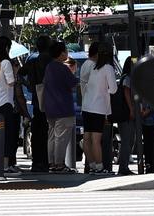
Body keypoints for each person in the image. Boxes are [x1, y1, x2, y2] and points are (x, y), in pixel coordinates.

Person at [80, 42, 117, 174]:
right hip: (98, 107)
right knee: (96, 140)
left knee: (87, 138)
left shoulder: (93, 67)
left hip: (86, 106)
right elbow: (113, 89)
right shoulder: (108, 68)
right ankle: (100, 167)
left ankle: (93, 165)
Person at [42, 41, 77, 173]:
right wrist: (72, 71)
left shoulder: (49, 67)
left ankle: (51, 163)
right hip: (63, 108)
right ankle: (59, 164)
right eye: (66, 51)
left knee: (51, 136)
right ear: (62, 53)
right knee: (61, 138)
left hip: (50, 108)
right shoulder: (62, 68)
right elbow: (73, 83)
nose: (67, 53)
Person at [0, 35, 20, 174]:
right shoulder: (6, 62)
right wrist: (16, 72)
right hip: (5, 102)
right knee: (7, 136)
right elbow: (11, 82)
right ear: (6, 48)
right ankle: (5, 165)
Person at [23, 35, 53, 172]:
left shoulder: (32, 62)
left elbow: (21, 74)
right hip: (51, 100)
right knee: (48, 132)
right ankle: (46, 162)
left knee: (37, 132)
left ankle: (37, 162)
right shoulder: (51, 62)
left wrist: (29, 85)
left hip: (37, 100)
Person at [113, 53, 138, 176]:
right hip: (126, 114)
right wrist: (131, 109)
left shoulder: (127, 77)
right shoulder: (127, 78)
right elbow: (127, 93)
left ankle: (124, 166)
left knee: (129, 141)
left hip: (126, 114)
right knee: (127, 141)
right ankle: (123, 167)